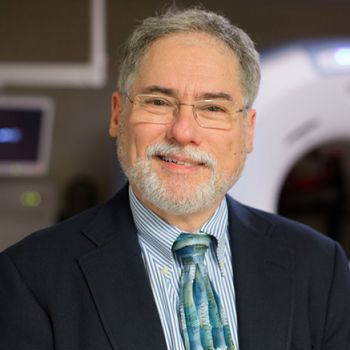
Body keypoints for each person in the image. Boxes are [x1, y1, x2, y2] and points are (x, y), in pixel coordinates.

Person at [0, 7, 349, 350]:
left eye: (213, 108)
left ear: (248, 130)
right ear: (118, 114)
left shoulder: (320, 267)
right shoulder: (30, 278)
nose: (183, 132)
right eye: (158, 102)